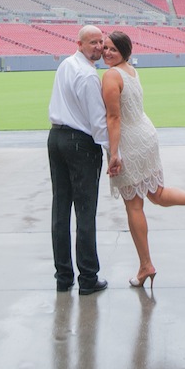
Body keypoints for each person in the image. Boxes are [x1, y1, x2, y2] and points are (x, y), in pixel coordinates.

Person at [102, 30, 185, 291]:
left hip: (130, 142)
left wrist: (114, 154)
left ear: (124, 52)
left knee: (134, 207)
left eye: (112, 49)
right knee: (157, 194)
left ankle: (145, 265)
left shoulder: (110, 75)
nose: (106, 52)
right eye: (104, 47)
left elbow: (114, 118)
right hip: (146, 134)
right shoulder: (129, 70)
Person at [47, 25, 110, 295]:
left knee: (61, 209)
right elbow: (98, 122)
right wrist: (111, 153)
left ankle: (63, 277)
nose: (98, 47)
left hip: (56, 138)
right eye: (93, 42)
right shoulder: (88, 76)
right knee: (85, 211)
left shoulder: (66, 65)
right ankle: (88, 277)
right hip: (80, 143)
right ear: (80, 43)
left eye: (101, 42)